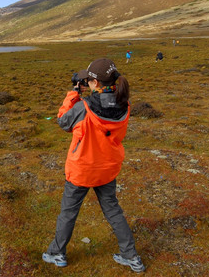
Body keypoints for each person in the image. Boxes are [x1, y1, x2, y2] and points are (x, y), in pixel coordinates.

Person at [42, 58, 145, 273]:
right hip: (107, 168)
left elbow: (62, 121)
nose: (86, 82)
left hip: (82, 169)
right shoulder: (124, 105)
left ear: (96, 83)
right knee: (113, 211)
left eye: (88, 79)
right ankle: (131, 257)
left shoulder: (84, 107)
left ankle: (57, 253)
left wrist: (73, 94)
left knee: (68, 213)